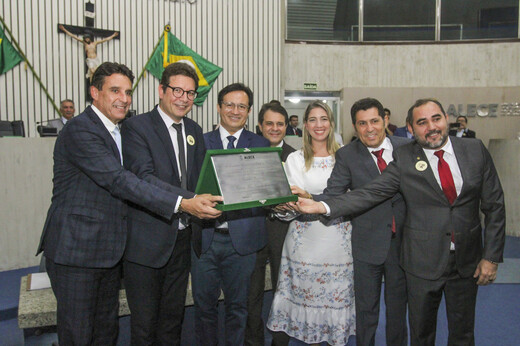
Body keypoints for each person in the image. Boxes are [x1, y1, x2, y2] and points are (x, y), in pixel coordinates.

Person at [293, 98, 506, 346]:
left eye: (436, 119)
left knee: (462, 331)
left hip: (460, 257)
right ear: (412, 127)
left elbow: (494, 206)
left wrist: (491, 256)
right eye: (422, 122)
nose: (431, 127)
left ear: (446, 119)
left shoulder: (471, 149)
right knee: (420, 331)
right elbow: (371, 192)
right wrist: (320, 204)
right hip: (415, 259)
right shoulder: (399, 157)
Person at [36, 62, 222, 345]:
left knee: (105, 333)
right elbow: (120, 180)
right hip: (77, 250)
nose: (123, 98)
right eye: (114, 90)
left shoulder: (116, 130)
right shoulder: (81, 130)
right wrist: (184, 203)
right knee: (78, 335)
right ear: (94, 93)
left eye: (127, 91)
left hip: (110, 250)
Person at [121, 62, 221, 345]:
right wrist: (189, 202)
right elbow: (143, 178)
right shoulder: (136, 127)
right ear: (161, 90)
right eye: (177, 90)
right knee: (145, 325)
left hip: (182, 239)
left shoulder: (193, 129)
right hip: (147, 243)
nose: (184, 98)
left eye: (191, 93)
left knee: (172, 320)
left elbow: (201, 181)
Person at [313, 98, 409, 346]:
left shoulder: (408, 149)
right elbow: (333, 193)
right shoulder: (347, 155)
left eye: (375, 121)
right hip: (367, 244)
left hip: (406, 244)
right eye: (362, 124)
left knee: (399, 312)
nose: (370, 129)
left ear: (385, 120)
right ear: (355, 127)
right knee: (366, 312)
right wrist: (306, 199)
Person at [267, 100, 356, 345]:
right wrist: (281, 206)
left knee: (333, 305)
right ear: (305, 125)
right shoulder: (295, 159)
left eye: (324, 119)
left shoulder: (347, 155)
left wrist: (309, 197)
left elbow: (354, 198)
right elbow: (287, 205)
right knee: (305, 306)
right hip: (303, 245)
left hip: (338, 243)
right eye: (313, 119)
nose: (319, 125)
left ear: (331, 122)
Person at [190, 83, 270, 345]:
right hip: (206, 240)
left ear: (248, 111)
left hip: (243, 242)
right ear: (218, 107)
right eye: (229, 105)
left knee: (239, 309)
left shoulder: (260, 144)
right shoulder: (198, 142)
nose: (235, 111)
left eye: (242, 106)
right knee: (204, 310)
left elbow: (265, 189)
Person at [245, 100, 296, 346]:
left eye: (279, 124)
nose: (274, 128)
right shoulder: (247, 152)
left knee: (282, 291)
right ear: (259, 125)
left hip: (284, 232)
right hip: (252, 229)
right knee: (251, 294)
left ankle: (280, 341)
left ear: (286, 126)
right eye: (269, 123)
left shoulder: (296, 158)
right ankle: (253, 341)